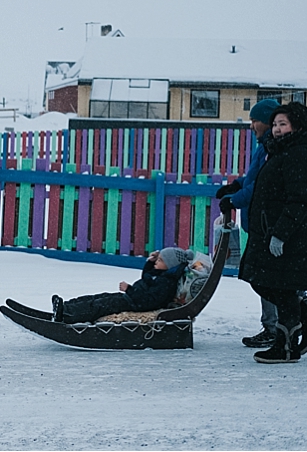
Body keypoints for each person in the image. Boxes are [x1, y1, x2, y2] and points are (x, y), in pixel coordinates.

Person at [239, 101, 307, 363]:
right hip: (271, 232)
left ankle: (286, 347)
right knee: (264, 281)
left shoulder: (301, 153)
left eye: (283, 124)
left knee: (280, 288)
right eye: (275, 124)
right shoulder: (282, 150)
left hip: (292, 238)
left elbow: (299, 200)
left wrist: (281, 233)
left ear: (297, 126)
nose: (277, 130)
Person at [216, 98, 281, 347]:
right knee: (264, 277)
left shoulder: (270, 148)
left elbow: (260, 187)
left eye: (255, 120)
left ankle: (279, 324)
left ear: (265, 121)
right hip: (259, 223)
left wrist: (235, 200)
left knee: (263, 277)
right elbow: (253, 179)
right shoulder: (262, 147)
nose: (251, 125)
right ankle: (283, 320)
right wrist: (236, 186)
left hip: (265, 224)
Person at [51, 247, 195, 323]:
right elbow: (148, 277)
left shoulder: (166, 283)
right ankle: (66, 307)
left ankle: (68, 315)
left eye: (161, 260)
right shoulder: (163, 276)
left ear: (170, 266)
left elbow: (148, 302)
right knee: (99, 297)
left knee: (100, 305)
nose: (157, 261)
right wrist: (151, 262)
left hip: (132, 303)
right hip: (130, 299)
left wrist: (130, 290)